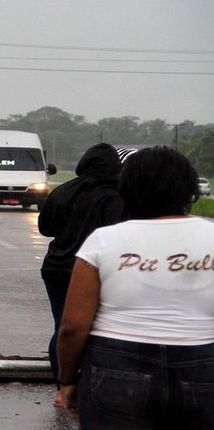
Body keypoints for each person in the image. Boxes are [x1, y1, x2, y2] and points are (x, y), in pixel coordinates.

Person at [57, 146, 214, 429]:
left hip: (116, 366)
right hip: (204, 364)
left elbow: (73, 326)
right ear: (189, 189)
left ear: (127, 188)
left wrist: (68, 379)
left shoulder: (104, 240)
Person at [37, 143, 124, 399]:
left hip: (57, 268)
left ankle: (63, 387)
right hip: (98, 271)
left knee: (63, 327)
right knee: (99, 329)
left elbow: (46, 229)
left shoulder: (63, 191)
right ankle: (92, 387)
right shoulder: (117, 197)